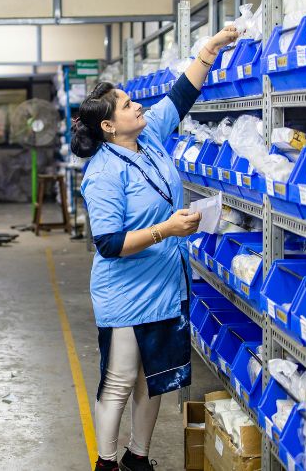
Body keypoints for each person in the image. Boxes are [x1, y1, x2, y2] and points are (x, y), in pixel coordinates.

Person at [72, 25, 239, 471]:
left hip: (164, 285)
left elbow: (180, 96)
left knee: (155, 378)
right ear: (109, 126)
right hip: (126, 293)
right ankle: (107, 463)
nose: (138, 106)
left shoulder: (146, 139)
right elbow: (109, 244)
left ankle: (138, 457)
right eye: (128, 105)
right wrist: (167, 229)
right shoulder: (103, 174)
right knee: (121, 380)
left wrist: (210, 49)